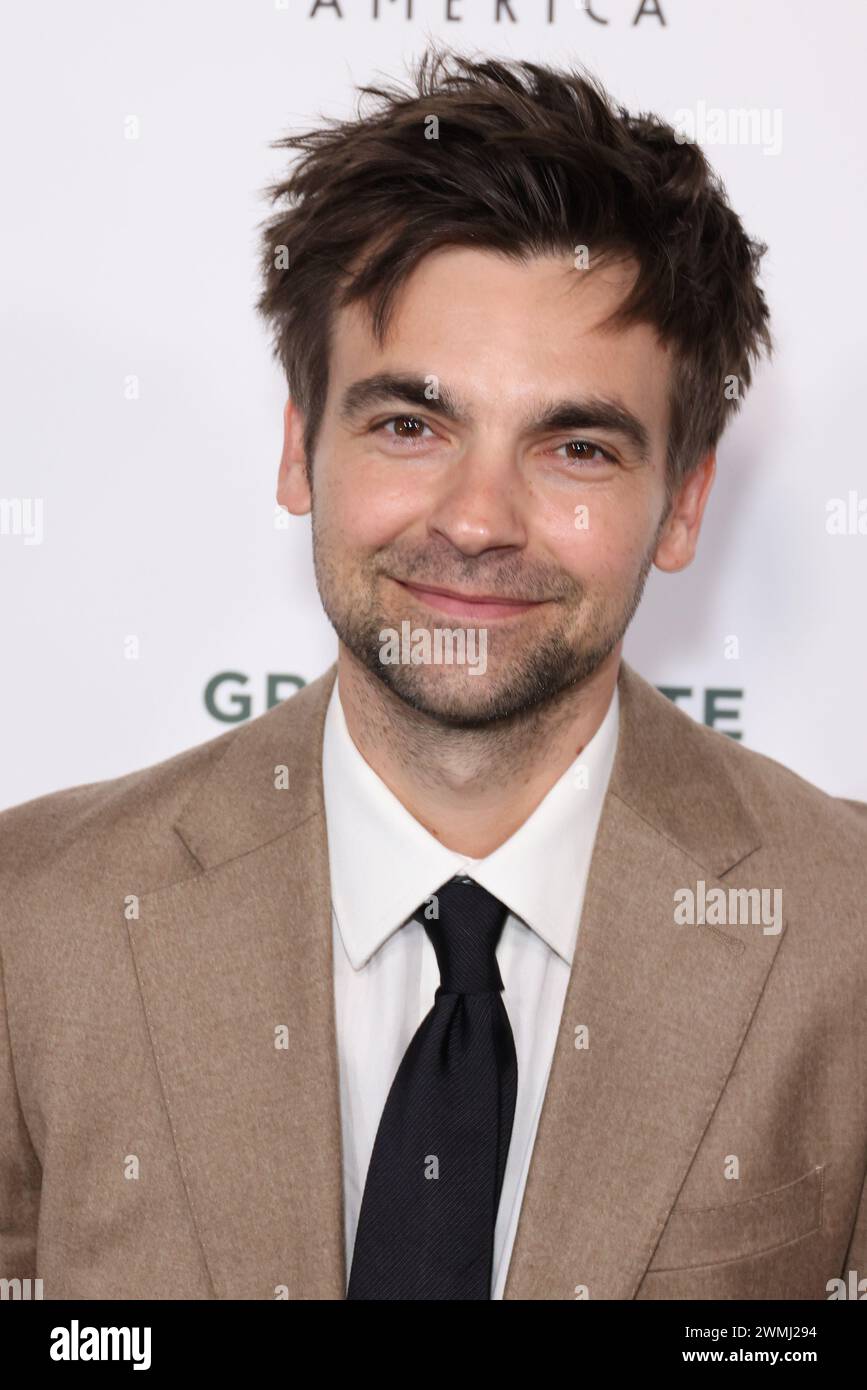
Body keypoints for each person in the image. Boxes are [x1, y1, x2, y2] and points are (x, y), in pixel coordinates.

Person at [1, 47, 865, 1302]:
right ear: (302, 450)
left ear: (682, 507)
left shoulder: (846, 936)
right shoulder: (35, 921)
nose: (475, 519)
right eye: (411, 424)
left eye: (574, 446)